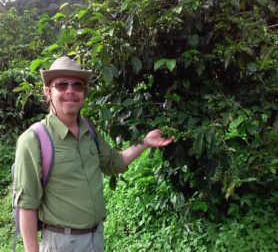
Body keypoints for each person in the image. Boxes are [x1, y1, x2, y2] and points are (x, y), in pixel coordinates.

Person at [14, 56, 174, 252]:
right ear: (48, 92)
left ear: (85, 93)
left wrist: (145, 142)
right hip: (62, 243)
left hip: (95, 237)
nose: (70, 91)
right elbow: (27, 205)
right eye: (62, 85)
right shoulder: (33, 140)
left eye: (77, 86)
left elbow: (113, 162)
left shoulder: (88, 129)